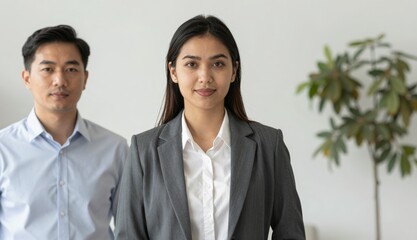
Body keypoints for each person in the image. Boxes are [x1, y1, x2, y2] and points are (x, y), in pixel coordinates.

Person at [115, 15, 305, 240]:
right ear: (173, 71)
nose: (205, 77)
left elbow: (290, 232)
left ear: (233, 71)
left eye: (217, 64)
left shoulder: (268, 145)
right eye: (191, 64)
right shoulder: (143, 149)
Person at [0, 25, 128, 239]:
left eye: (71, 69)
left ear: (85, 78)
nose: (59, 80)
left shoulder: (115, 149)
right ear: (27, 78)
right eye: (47, 69)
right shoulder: (3, 148)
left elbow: (129, 229)